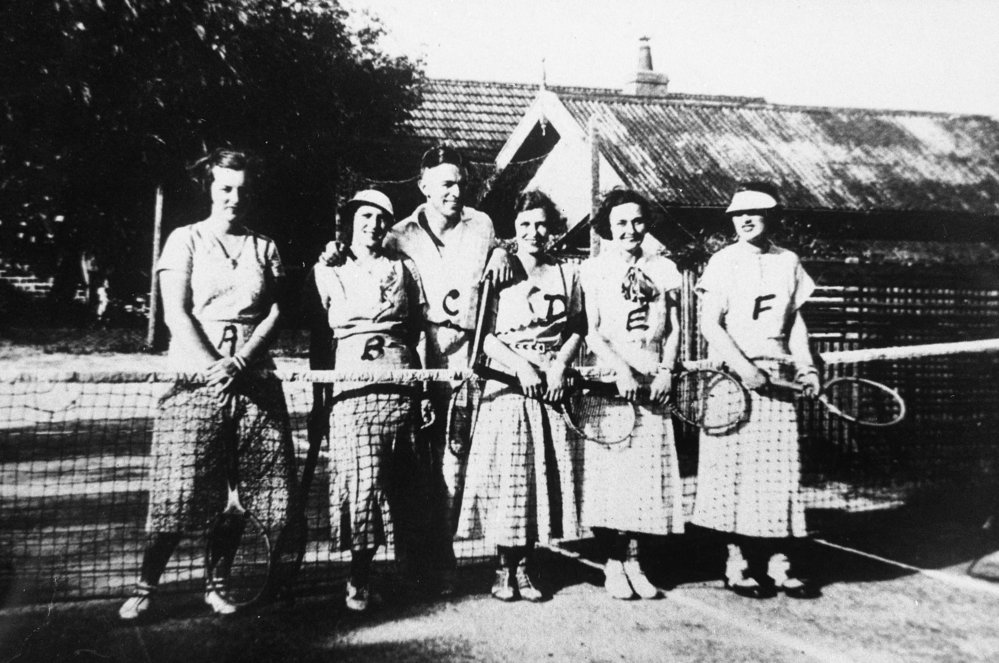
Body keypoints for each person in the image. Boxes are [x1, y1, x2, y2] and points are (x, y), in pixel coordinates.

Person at [319, 145, 512, 594]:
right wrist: (332, 251)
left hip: (466, 359)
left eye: (461, 182)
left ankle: (443, 562)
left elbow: (498, 257)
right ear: (424, 185)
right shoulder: (397, 234)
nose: (455, 191)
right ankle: (411, 563)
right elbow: (361, 264)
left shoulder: (482, 224)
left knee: (453, 465)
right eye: (446, 183)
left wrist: (504, 252)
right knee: (413, 469)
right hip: (417, 361)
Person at [119, 149, 295, 620]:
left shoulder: (266, 246)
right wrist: (215, 366)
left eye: (242, 189)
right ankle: (145, 585)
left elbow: (277, 311)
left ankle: (217, 582)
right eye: (224, 188)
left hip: (252, 380)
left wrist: (241, 362)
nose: (234, 197)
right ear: (210, 189)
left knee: (240, 494)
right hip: (194, 382)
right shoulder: (185, 239)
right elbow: (175, 311)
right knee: (177, 490)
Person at [690, 181, 821, 599]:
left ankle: (780, 565)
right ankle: (737, 564)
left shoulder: (789, 262)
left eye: (755, 213)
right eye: (737, 215)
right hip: (733, 380)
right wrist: (744, 368)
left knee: (778, 475)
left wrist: (807, 367)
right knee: (735, 475)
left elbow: (796, 323)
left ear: (771, 217)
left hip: (778, 380)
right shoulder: (722, 261)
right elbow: (709, 324)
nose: (745, 220)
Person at [455, 190, 584, 602]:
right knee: (508, 480)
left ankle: (525, 568)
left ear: (552, 228)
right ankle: (501, 569)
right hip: (508, 387)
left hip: (549, 390)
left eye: (541, 224)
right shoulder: (498, 267)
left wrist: (560, 364)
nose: (533, 232)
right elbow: (483, 339)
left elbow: (577, 326)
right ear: (514, 227)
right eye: (525, 224)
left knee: (534, 481)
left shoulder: (566, 273)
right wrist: (521, 367)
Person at [308, 189, 427, 612]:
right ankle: (358, 577)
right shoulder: (328, 268)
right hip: (351, 387)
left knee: (404, 482)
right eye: (365, 216)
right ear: (350, 221)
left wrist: (422, 386)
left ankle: (409, 575)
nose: (373, 224)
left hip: (399, 383)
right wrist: (319, 400)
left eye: (381, 218)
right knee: (362, 482)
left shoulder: (404, 268)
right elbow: (319, 341)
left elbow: (417, 329)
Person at [579, 189, 684, 600]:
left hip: (653, 387)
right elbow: (591, 330)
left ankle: (636, 563)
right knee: (613, 481)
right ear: (608, 227)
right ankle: (612, 564)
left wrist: (665, 371)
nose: (629, 229)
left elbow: (673, 328)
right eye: (620, 222)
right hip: (611, 386)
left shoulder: (665, 269)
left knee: (645, 481)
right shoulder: (594, 270)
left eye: (637, 221)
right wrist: (620, 369)